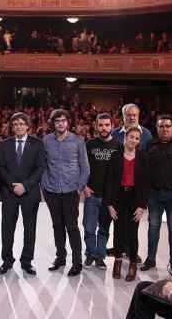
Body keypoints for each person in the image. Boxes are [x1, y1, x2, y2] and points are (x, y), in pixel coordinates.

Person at [42, 109, 90, 277]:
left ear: (67, 122)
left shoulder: (77, 141)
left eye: (63, 120)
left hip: (71, 190)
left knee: (71, 226)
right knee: (57, 226)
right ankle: (60, 257)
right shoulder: (46, 140)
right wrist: (44, 184)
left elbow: (85, 167)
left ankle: (77, 263)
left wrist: (79, 187)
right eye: (57, 121)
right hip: (51, 190)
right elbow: (42, 164)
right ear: (53, 123)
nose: (60, 123)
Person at [0, 112, 46, 275]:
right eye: (15, 124)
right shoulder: (4, 144)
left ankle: (26, 261)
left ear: (27, 126)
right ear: (12, 127)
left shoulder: (37, 143)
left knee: (29, 229)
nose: (18, 126)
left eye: (21, 123)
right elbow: (1, 168)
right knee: (7, 229)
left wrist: (25, 186)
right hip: (9, 193)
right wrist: (14, 186)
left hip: (29, 192)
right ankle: (7, 260)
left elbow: (40, 168)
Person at [142, 114, 172, 272]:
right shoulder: (150, 145)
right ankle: (150, 260)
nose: (165, 129)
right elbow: (145, 169)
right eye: (161, 126)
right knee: (153, 227)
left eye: (168, 126)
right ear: (157, 128)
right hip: (154, 194)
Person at [105, 127, 150, 281]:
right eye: (131, 137)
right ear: (125, 137)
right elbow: (110, 182)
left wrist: (142, 205)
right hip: (118, 197)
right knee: (118, 230)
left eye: (137, 138)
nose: (134, 140)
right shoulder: (115, 156)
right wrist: (109, 204)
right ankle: (117, 261)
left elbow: (145, 183)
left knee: (132, 232)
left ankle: (132, 264)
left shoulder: (143, 157)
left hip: (135, 198)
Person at [83, 113, 120, 270]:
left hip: (109, 197)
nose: (104, 128)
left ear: (112, 126)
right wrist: (84, 186)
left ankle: (100, 256)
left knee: (104, 229)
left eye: (107, 125)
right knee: (89, 228)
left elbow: (120, 173)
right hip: (91, 194)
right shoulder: (89, 144)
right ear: (96, 126)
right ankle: (91, 254)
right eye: (101, 125)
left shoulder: (119, 146)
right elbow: (82, 167)